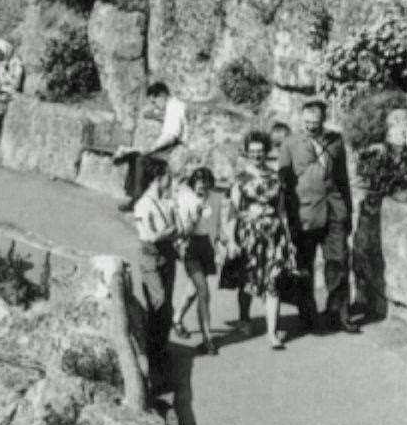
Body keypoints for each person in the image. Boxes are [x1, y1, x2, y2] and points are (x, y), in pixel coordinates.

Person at [278, 100, 359, 335]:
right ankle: (308, 316)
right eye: (306, 122)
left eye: (315, 123)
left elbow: (343, 180)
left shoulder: (335, 141)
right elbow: (283, 184)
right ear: (301, 119)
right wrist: (285, 219)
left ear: (324, 120)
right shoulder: (290, 144)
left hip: (335, 211)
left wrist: (349, 213)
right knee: (304, 266)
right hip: (304, 214)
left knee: (339, 262)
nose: (310, 127)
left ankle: (339, 313)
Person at [224, 131, 297, 350]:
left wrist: (288, 239)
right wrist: (231, 240)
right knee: (247, 281)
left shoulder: (276, 178)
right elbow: (233, 212)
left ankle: (272, 333)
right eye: (252, 152)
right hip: (249, 235)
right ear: (247, 153)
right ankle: (244, 319)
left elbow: (282, 211)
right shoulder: (240, 177)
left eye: (260, 151)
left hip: (274, 236)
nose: (257, 155)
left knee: (273, 283)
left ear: (266, 152)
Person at [126, 156, 181, 385]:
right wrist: (169, 231)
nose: (171, 179)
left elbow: (177, 227)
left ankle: (159, 351)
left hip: (167, 254)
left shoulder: (165, 201)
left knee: (166, 303)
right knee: (157, 300)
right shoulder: (144, 204)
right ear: (158, 178)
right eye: (168, 175)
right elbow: (147, 236)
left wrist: (172, 230)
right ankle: (146, 350)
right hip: (151, 254)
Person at [173, 167, 223, 356]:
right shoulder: (185, 199)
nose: (202, 185)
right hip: (190, 246)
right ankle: (207, 338)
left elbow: (217, 225)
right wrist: (196, 215)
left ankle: (177, 318)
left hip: (207, 247)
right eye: (198, 181)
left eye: (205, 181)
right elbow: (183, 231)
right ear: (193, 183)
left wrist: (221, 244)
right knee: (204, 291)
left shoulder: (216, 198)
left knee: (194, 290)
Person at [112, 80, 187, 204]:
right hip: (169, 148)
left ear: (162, 95)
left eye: (155, 101)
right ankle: (134, 197)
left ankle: (138, 199)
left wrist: (151, 148)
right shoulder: (172, 106)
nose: (155, 105)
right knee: (135, 156)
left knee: (141, 159)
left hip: (175, 151)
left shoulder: (174, 107)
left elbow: (171, 136)